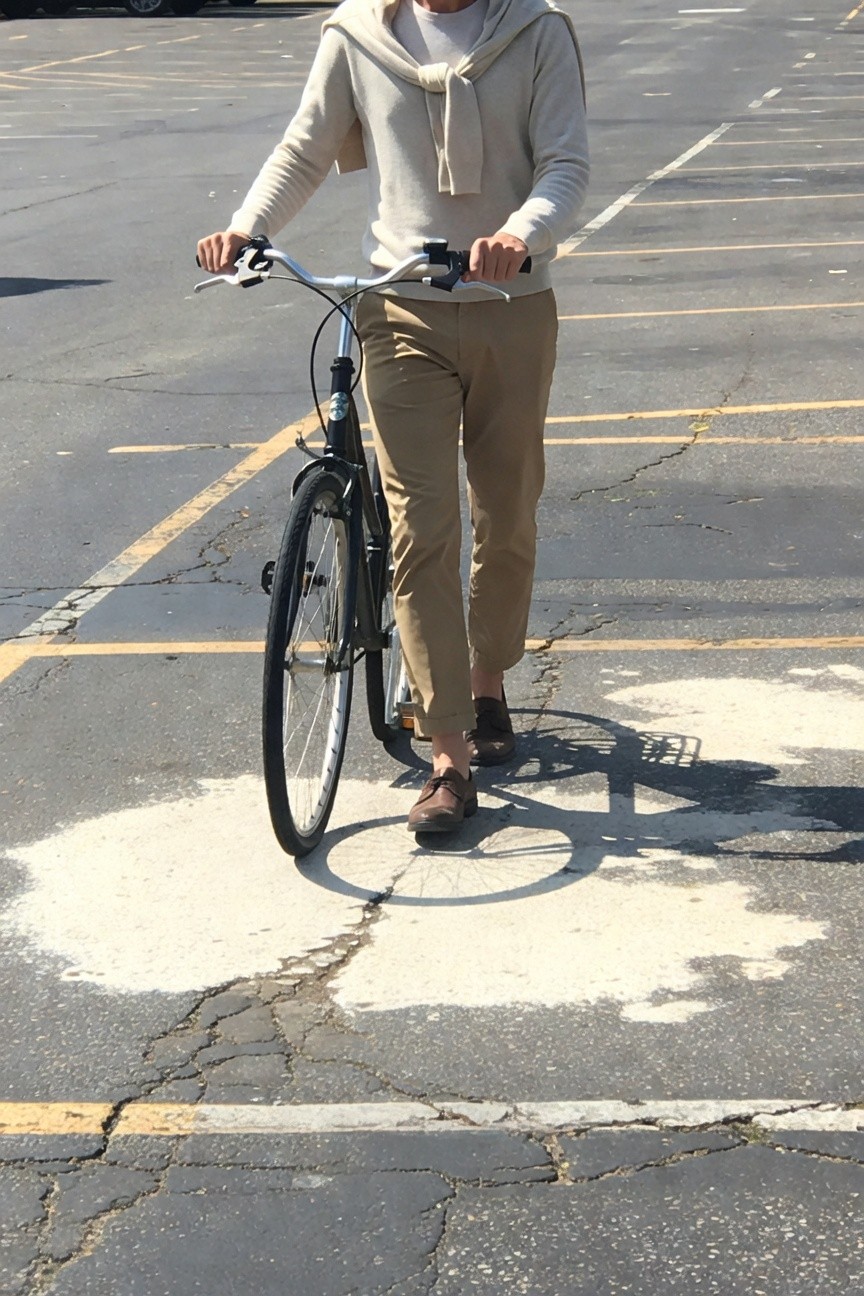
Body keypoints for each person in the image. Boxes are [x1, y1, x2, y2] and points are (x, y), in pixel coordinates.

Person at [198, 0, 589, 835]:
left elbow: (565, 166)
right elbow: (305, 146)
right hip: (399, 303)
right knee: (420, 525)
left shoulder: (534, 29)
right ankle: (447, 752)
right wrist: (246, 229)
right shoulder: (358, 35)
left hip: (510, 304)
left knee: (507, 513)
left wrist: (520, 233)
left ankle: (488, 684)